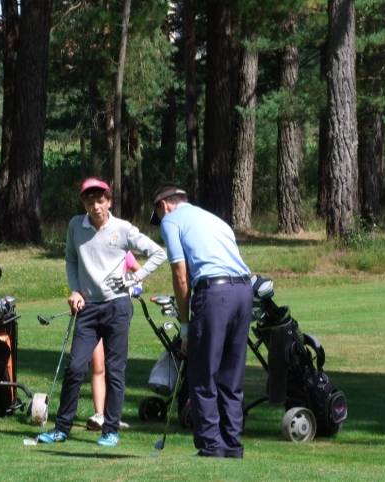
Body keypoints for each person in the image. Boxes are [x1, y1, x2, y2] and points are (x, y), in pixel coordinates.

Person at [38, 178, 166, 447]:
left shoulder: (123, 229)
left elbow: (157, 253)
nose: (94, 206)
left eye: (99, 200)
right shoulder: (76, 225)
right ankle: (62, 428)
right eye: (89, 201)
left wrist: (135, 279)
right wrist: (75, 290)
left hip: (118, 307)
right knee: (75, 368)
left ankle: (110, 430)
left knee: (115, 370)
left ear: (109, 201)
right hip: (88, 307)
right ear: (83, 202)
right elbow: (72, 259)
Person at [149, 184, 252, 459]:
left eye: (158, 215)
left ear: (164, 206)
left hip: (215, 294)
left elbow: (181, 276)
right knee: (231, 375)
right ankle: (233, 445)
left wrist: (185, 327)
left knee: (203, 373)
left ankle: (211, 446)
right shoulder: (214, 219)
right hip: (244, 292)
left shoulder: (170, 221)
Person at [86, 251, 141, 431]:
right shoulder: (91, 249)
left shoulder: (124, 253)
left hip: (116, 312)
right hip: (93, 311)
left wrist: (132, 285)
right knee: (98, 365)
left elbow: (140, 272)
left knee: (114, 367)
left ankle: (112, 417)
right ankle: (99, 415)